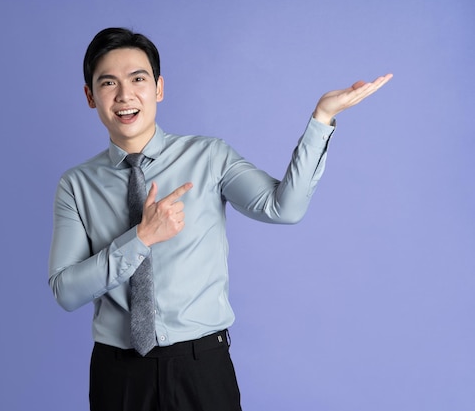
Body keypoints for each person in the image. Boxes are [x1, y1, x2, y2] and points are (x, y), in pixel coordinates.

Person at [48, 27, 392, 411]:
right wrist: (140, 238)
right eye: (108, 83)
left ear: (158, 88)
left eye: (138, 79)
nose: (125, 95)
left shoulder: (210, 157)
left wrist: (322, 119)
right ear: (90, 96)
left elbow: (284, 208)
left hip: (201, 367)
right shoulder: (76, 184)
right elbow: (66, 290)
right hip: (119, 374)